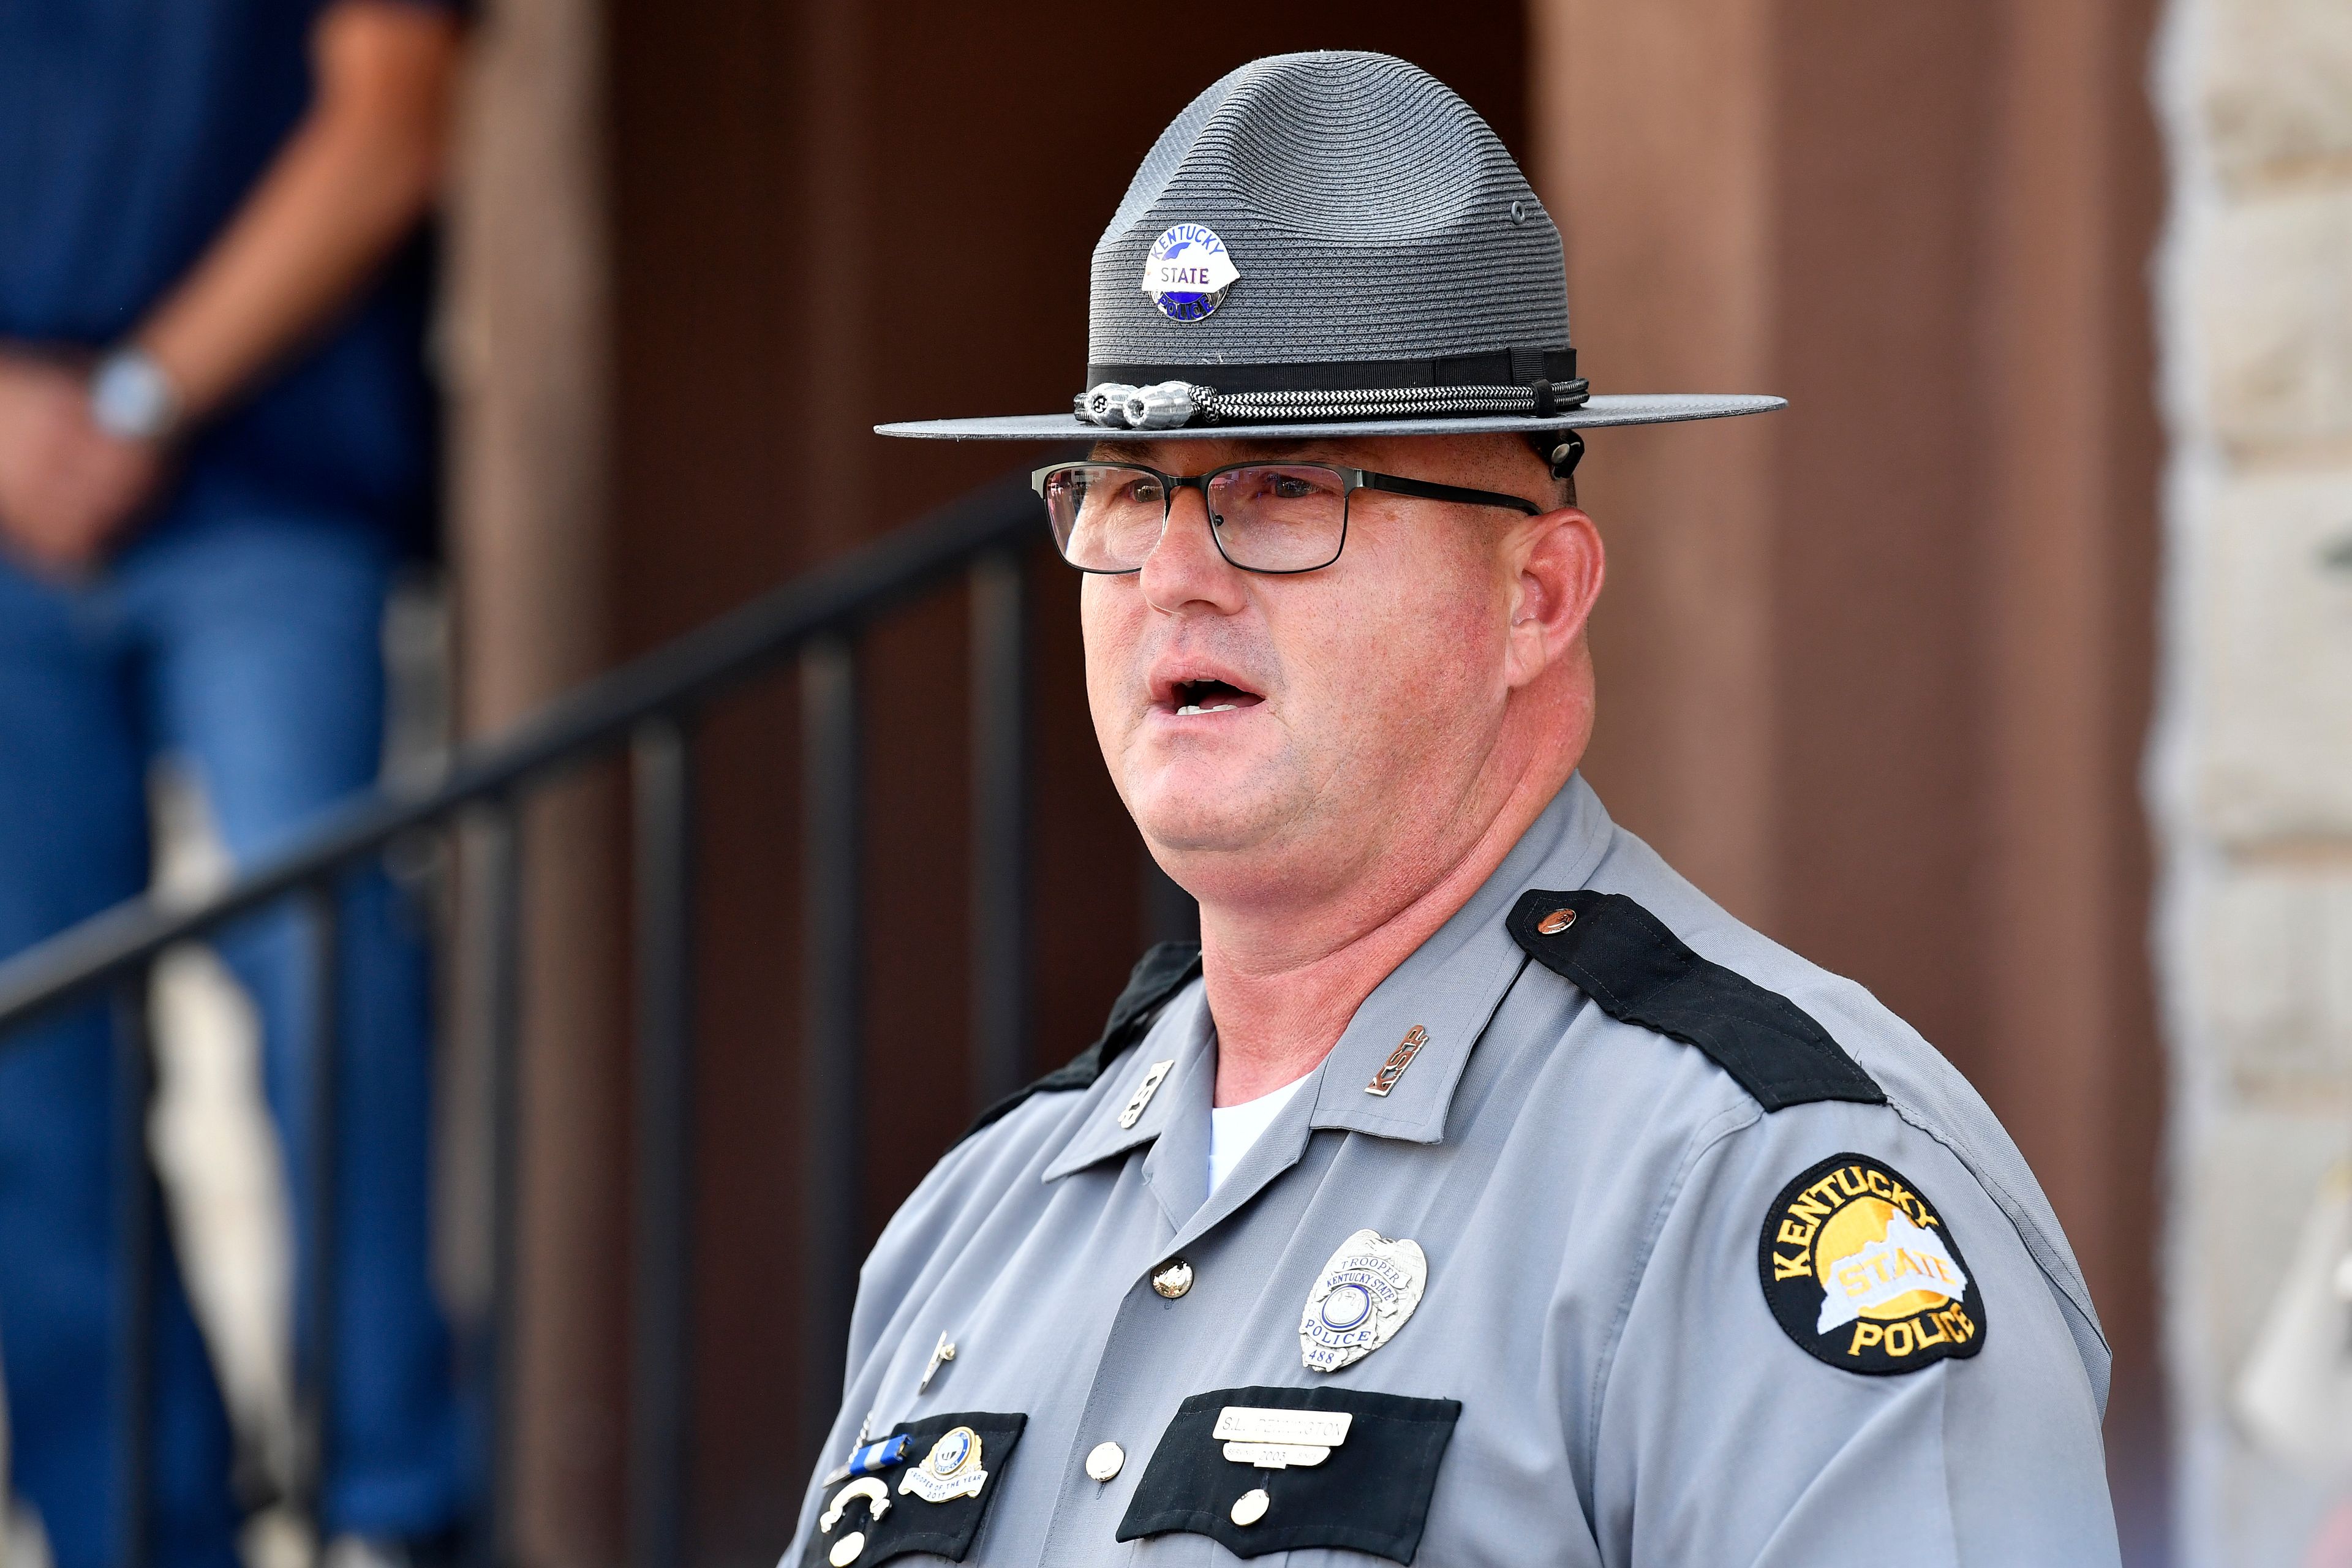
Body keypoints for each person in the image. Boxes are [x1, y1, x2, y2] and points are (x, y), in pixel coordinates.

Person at [782, 50, 2122, 1568]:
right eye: (1128, 487)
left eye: (1286, 488)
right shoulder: (974, 1225)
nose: (1174, 570)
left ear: (1534, 598)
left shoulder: (1758, 1181)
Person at [0, 4, 470, 1567]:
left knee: (318, 957)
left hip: (275, 484)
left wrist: (139, 396)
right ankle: (130, 1533)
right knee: (32, 1055)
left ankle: (395, 1503)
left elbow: (393, 120)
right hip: (6, 525)